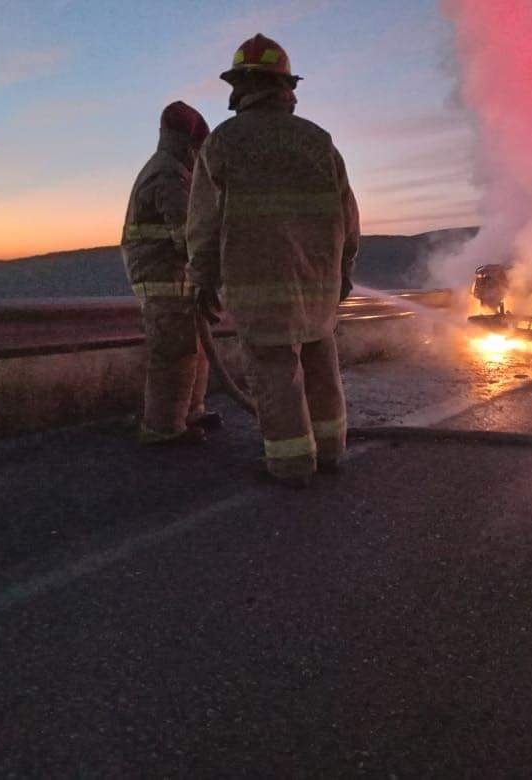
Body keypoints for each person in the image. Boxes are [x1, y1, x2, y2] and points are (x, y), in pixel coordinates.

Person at [186, 34, 361, 487]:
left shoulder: (223, 143)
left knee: (275, 370)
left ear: (241, 85)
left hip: (258, 283)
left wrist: (200, 279)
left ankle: (289, 464)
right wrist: (343, 271)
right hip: (319, 283)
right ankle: (331, 450)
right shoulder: (318, 140)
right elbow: (348, 215)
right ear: (286, 86)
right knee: (322, 363)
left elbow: (203, 223)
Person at [121, 101, 221, 444]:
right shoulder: (169, 173)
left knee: (196, 345)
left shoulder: (176, 169)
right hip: (162, 276)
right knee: (174, 350)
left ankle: (190, 412)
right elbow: (188, 232)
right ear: (191, 144)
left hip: (177, 275)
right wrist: (214, 264)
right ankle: (162, 428)